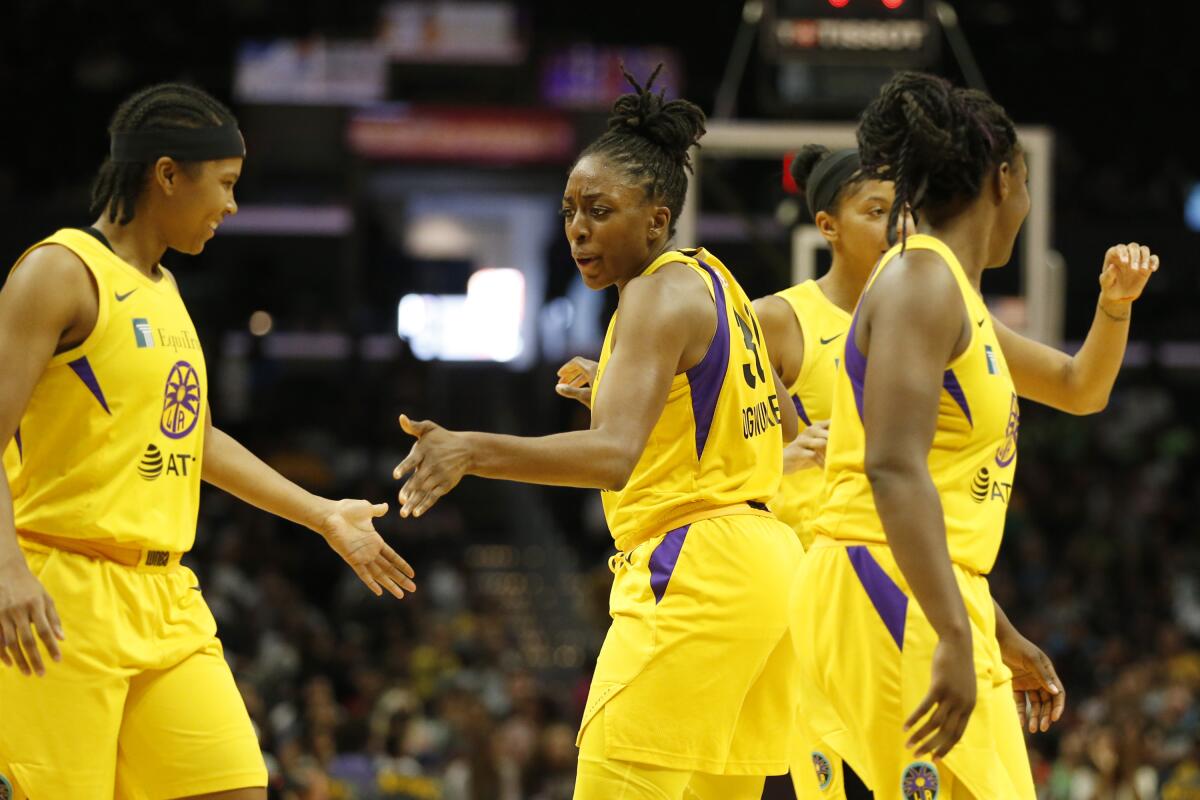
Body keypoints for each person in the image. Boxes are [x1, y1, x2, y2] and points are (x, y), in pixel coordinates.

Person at [394, 67, 802, 799]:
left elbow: (615, 458)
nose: (578, 227)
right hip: (766, 567)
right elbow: (768, 414)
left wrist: (469, 449)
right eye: (570, 210)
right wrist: (614, 379)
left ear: (656, 216)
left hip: (696, 571)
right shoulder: (715, 280)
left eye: (600, 209)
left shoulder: (649, 298)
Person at [0, 83, 416, 800]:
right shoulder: (59, 271)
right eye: (223, 184)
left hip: (166, 597)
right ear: (166, 175)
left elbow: (193, 437)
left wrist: (321, 514)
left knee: (234, 788)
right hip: (61, 591)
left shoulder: (164, 289)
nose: (230, 205)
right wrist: (6, 571)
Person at [789, 71, 1158, 799]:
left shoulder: (954, 295)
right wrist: (958, 633)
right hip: (885, 589)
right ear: (1003, 180)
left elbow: (1082, 390)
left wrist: (1113, 308)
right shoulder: (921, 282)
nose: (1024, 199)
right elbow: (893, 469)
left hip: (928, 591)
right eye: (1022, 181)